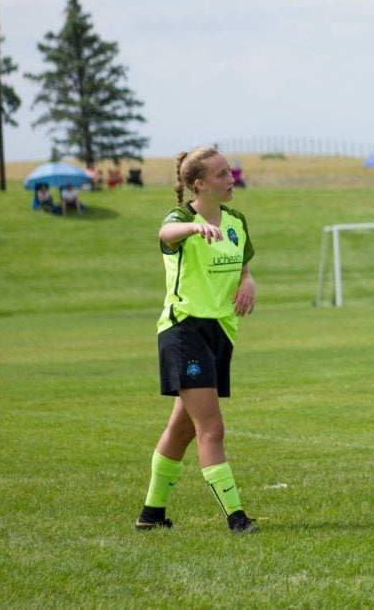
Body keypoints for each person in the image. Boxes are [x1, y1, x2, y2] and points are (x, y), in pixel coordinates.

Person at [135, 146, 259, 535]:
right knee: (211, 427)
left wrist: (248, 282)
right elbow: (164, 233)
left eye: (230, 172)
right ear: (200, 184)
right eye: (222, 174)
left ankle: (151, 515)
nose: (231, 179)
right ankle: (237, 518)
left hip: (220, 332)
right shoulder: (181, 219)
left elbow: (244, 268)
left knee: (184, 429)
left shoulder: (236, 221)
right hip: (183, 330)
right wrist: (192, 227)